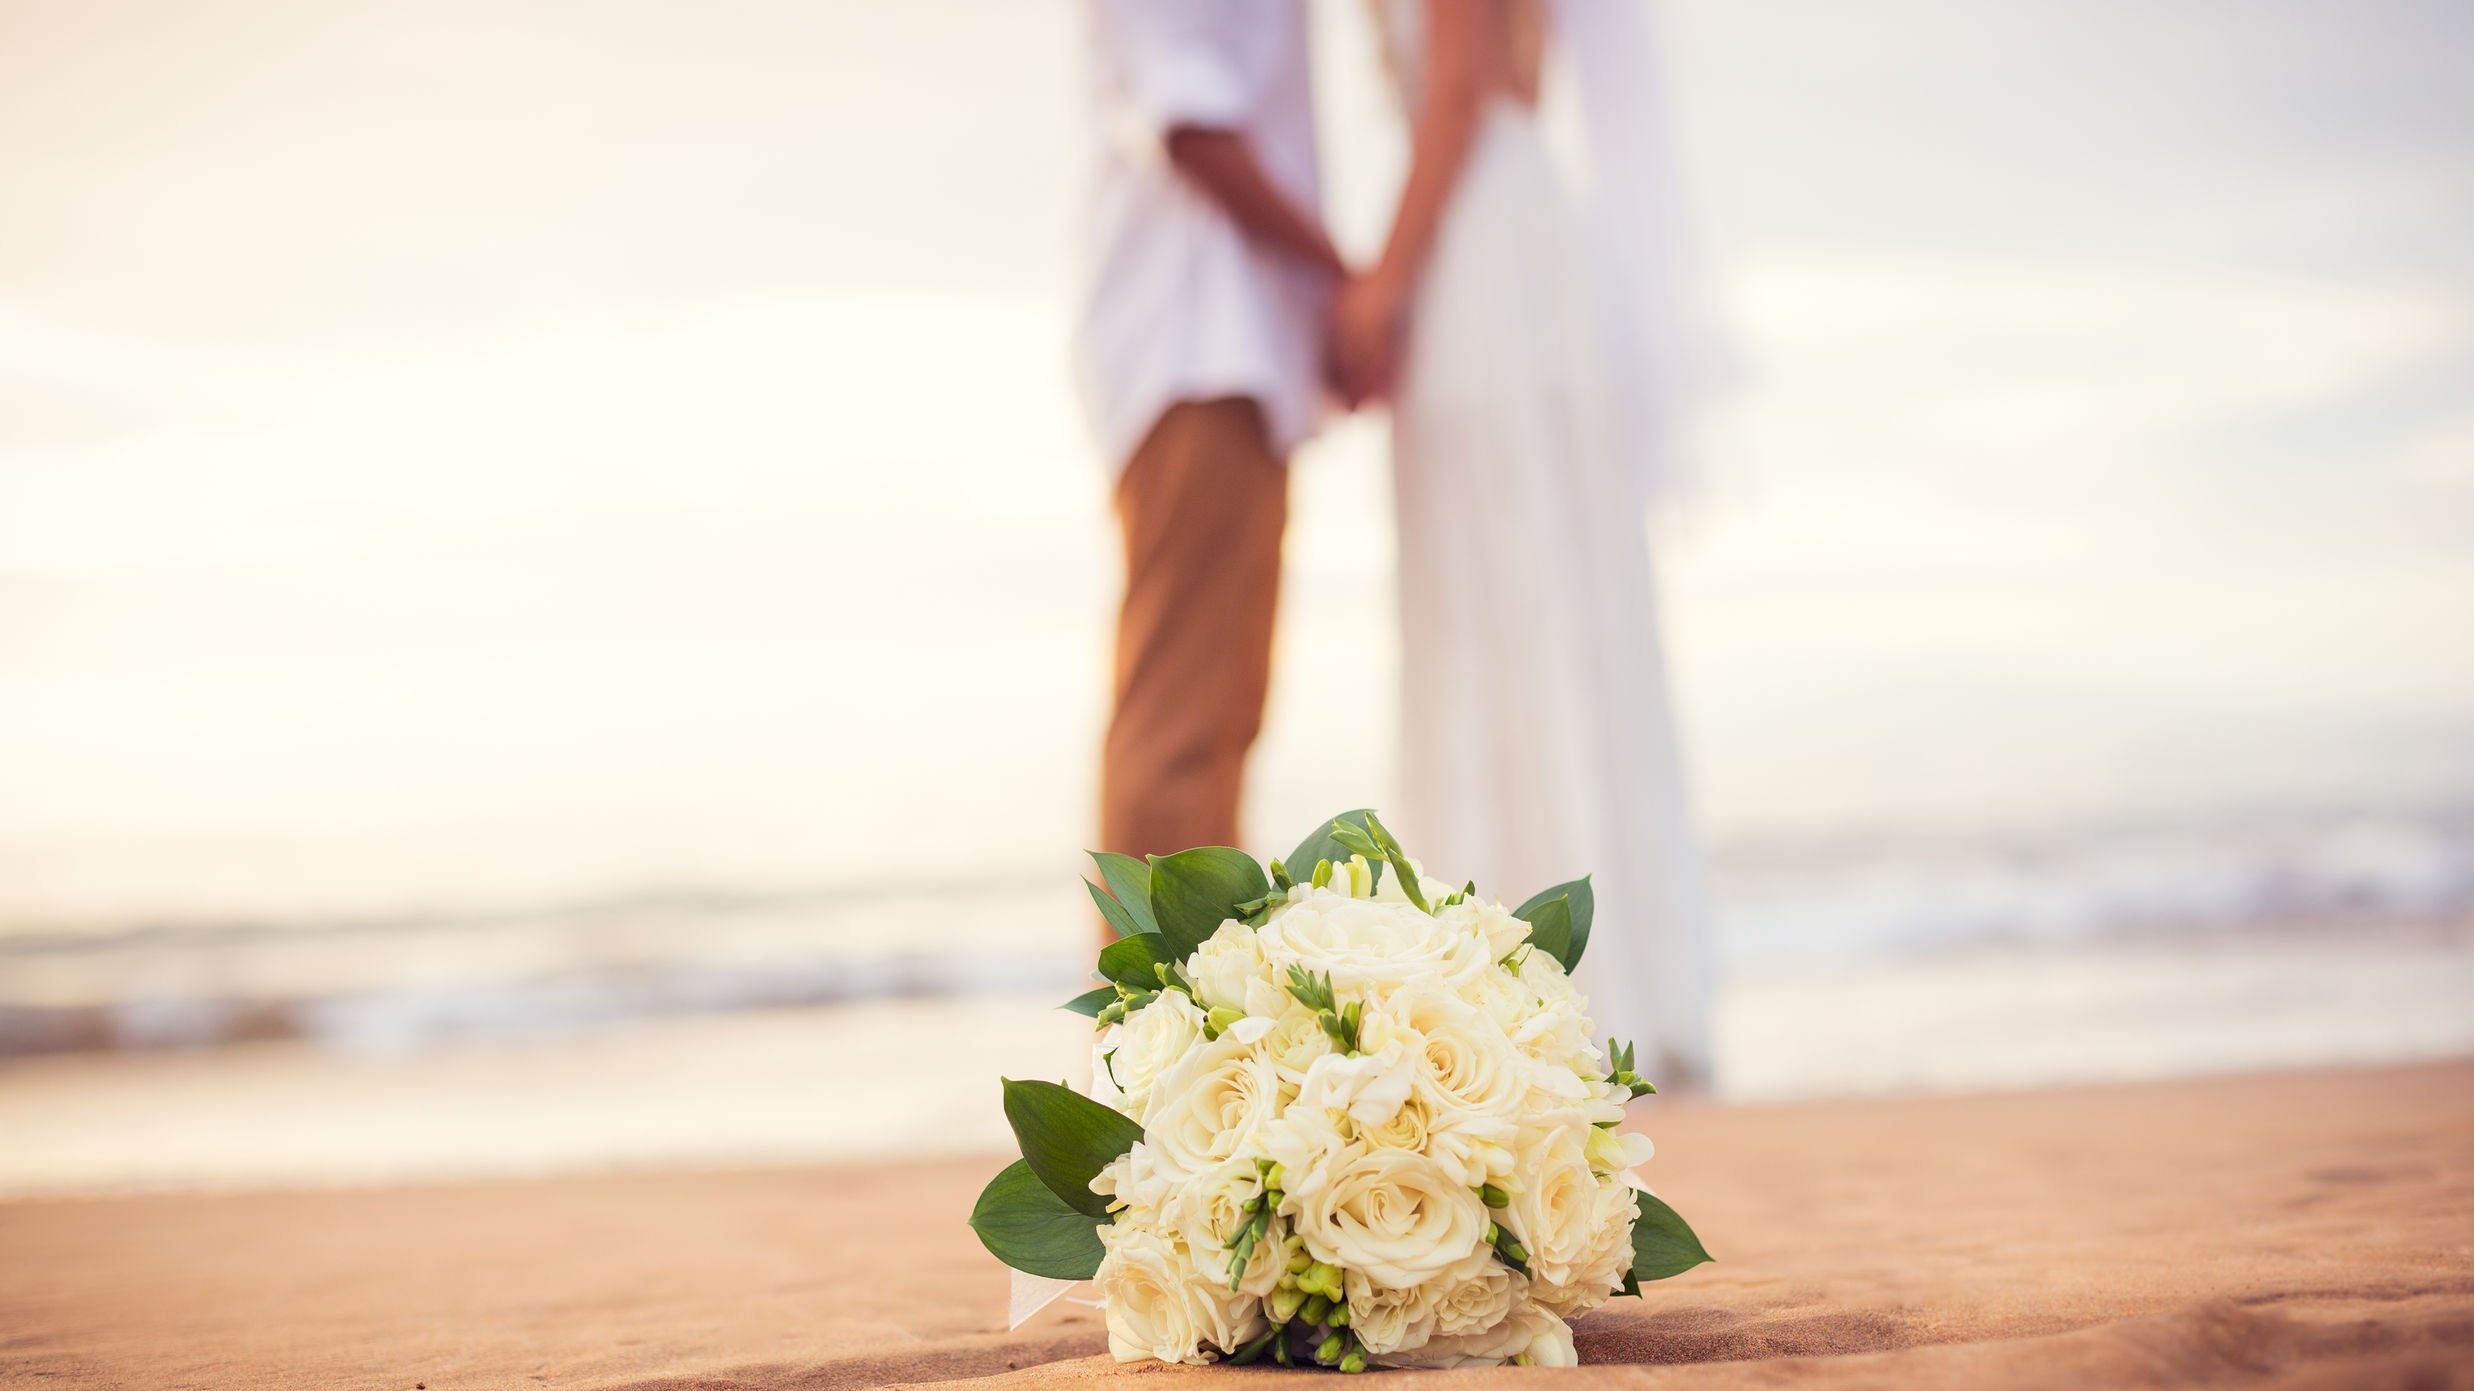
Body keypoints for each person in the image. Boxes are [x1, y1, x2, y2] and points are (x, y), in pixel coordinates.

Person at [1331, 0, 1720, 1084]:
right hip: (1515, 233)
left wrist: (1379, 285)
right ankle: (1596, 980)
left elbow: (1460, 85)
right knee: (1540, 604)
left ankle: (1522, 999)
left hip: (1477, 251)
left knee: (1491, 609)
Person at [1079, 1, 1344, 912]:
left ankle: (1183, 1034)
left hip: (1221, 337)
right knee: (1182, 726)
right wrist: (1336, 280)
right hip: (1195, 333)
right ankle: (1150, 1040)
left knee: (1216, 717)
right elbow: (1186, 115)